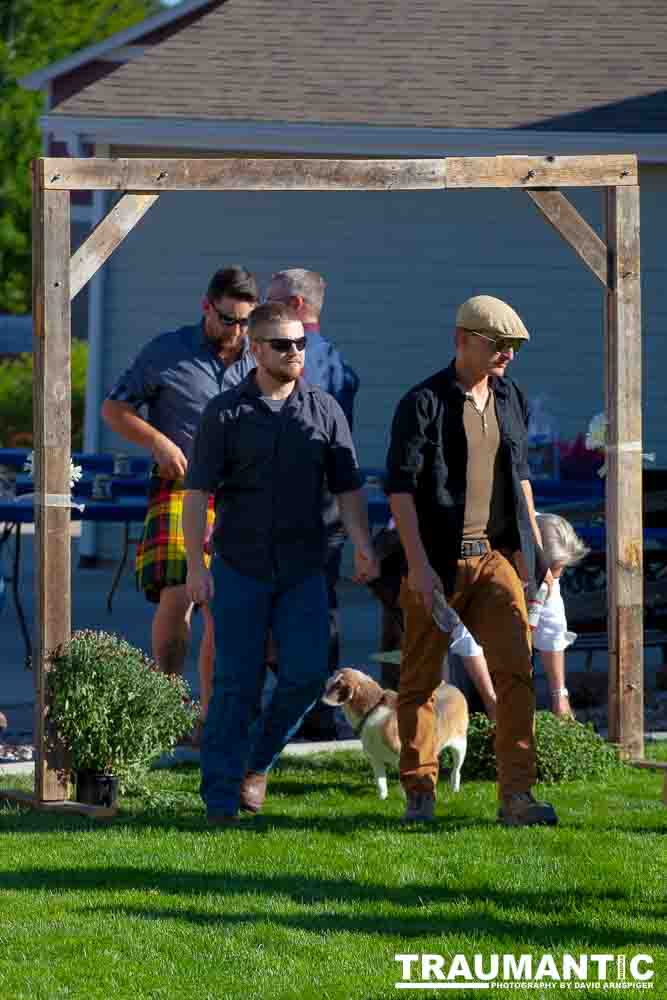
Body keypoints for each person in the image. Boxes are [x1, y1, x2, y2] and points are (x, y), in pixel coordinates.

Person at [183, 302, 378, 826]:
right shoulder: (224, 412)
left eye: (300, 344)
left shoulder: (325, 410)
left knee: (308, 675)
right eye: (282, 344)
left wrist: (362, 543)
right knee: (235, 684)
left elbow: (349, 487)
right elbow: (198, 493)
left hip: (304, 567)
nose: (295, 352)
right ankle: (220, 800)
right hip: (239, 565)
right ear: (256, 349)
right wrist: (194, 567)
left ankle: (258, 761)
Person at [385, 293, 558, 827]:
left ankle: (516, 797)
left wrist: (537, 552)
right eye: (497, 344)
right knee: (418, 680)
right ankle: (420, 792)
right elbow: (400, 490)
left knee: (516, 673)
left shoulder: (511, 399)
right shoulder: (423, 402)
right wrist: (416, 564)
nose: (507, 354)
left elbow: (521, 480)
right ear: (463, 340)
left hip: (494, 559)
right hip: (434, 558)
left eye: (513, 347)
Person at [101, 266, 258, 703]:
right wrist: (158, 442)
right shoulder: (166, 351)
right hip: (183, 484)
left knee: (223, 605)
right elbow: (115, 409)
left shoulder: (259, 355)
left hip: (242, 491)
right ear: (207, 306)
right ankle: (167, 703)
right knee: (178, 592)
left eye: (245, 320)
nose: (237, 330)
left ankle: (211, 713)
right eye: (228, 319)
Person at [264, 268, 359, 738]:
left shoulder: (308, 361)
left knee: (289, 612)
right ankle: (317, 711)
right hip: (325, 509)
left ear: (298, 306)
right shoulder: (336, 360)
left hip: (300, 507)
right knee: (318, 610)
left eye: (274, 300)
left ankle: (307, 713)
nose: (265, 307)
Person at [449, 512, 590, 721]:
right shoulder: (478, 553)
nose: (549, 583)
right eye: (545, 576)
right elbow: (465, 634)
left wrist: (560, 696)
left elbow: (552, 626)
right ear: (525, 556)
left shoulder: (545, 552)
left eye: (555, 576)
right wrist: (491, 700)